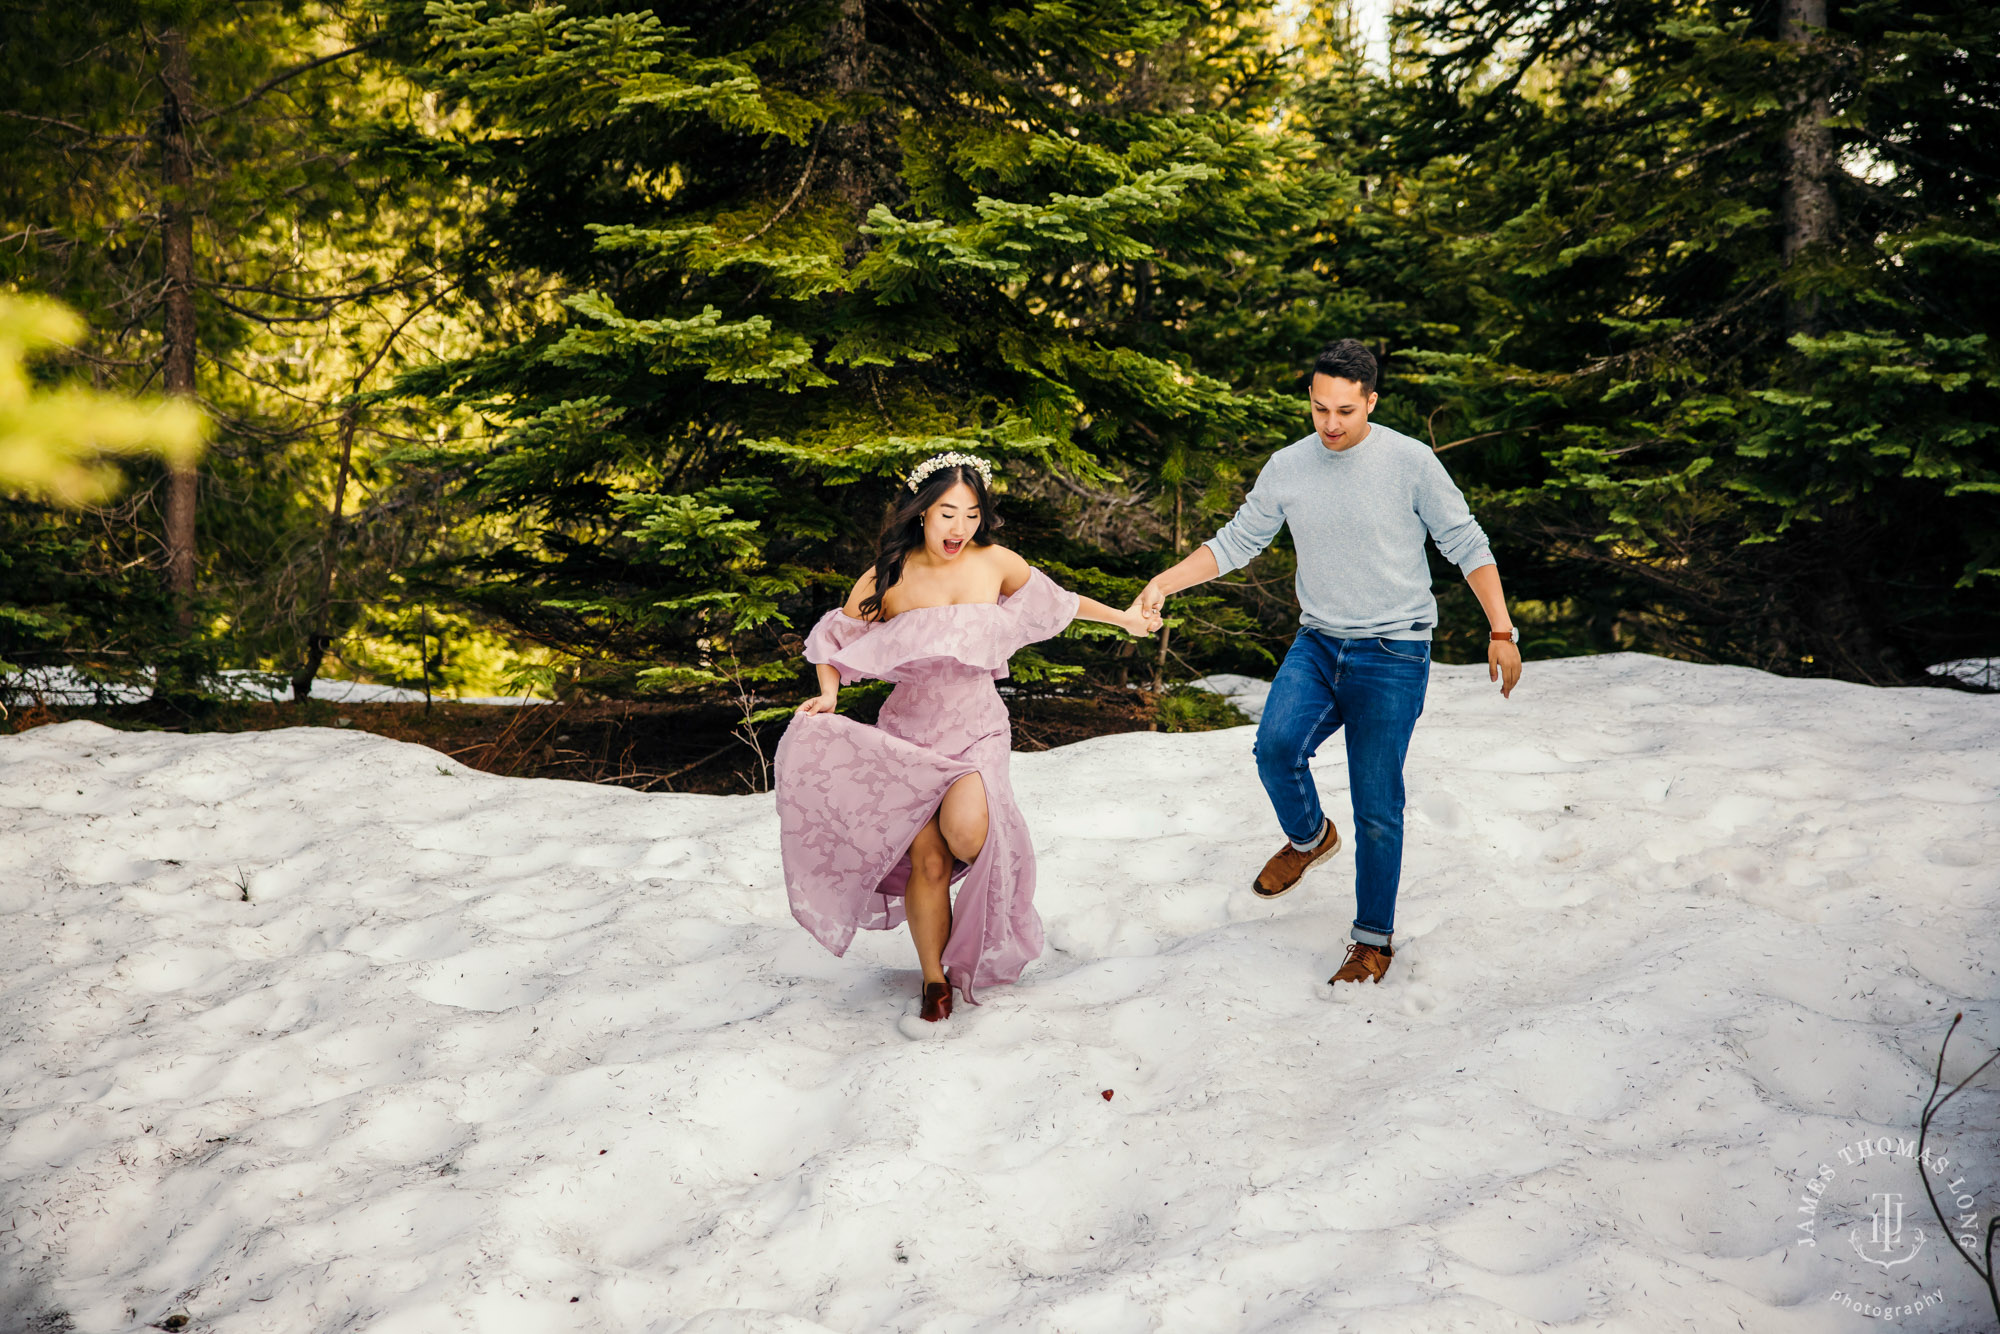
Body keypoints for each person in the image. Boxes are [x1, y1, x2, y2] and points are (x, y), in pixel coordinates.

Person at [1138, 340, 1523, 987]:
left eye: (1346, 410)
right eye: (1320, 409)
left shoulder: (1411, 463)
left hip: (1394, 652)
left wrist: (1501, 628)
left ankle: (1373, 942)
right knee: (1274, 747)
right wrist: (1164, 582)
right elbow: (1237, 540)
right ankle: (1311, 837)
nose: (1332, 424)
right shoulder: (1290, 466)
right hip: (1319, 643)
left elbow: (1466, 542)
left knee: (1378, 804)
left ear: (1372, 401)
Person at [775, 453, 1160, 1023]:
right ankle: (935, 980)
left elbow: (1059, 602)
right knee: (927, 860)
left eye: (972, 515)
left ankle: (986, 925)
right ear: (922, 512)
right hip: (907, 735)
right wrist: (829, 693)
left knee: (968, 834)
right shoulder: (889, 574)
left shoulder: (995, 562)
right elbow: (832, 637)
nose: (960, 528)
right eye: (947, 513)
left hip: (976, 726)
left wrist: (1126, 620)